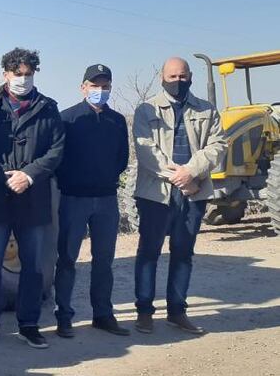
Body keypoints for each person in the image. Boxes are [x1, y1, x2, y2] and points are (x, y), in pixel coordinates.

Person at [0, 47, 65, 349]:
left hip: (32, 198)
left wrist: (29, 175)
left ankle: (29, 324)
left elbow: (57, 150)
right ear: (6, 74)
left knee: (33, 266)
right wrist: (4, 177)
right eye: (17, 73)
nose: (23, 79)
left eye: (28, 73)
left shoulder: (48, 108)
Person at [132, 56, 225, 335]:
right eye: (172, 77)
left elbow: (218, 144)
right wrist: (178, 177)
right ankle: (145, 311)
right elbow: (145, 148)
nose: (177, 82)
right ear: (162, 78)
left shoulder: (207, 110)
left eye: (182, 77)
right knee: (148, 252)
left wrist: (191, 172)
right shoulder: (147, 109)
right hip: (156, 193)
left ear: (191, 77)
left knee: (183, 253)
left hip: (194, 193)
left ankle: (177, 311)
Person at [53, 64, 130, 338]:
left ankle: (103, 315)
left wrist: (104, 179)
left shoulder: (117, 121)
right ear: (83, 87)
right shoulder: (67, 119)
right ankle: (63, 316)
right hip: (74, 199)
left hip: (107, 200)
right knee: (67, 260)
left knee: (103, 261)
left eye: (105, 86)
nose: (100, 90)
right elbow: (57, 159)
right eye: (94, 85)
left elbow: (122, 159)